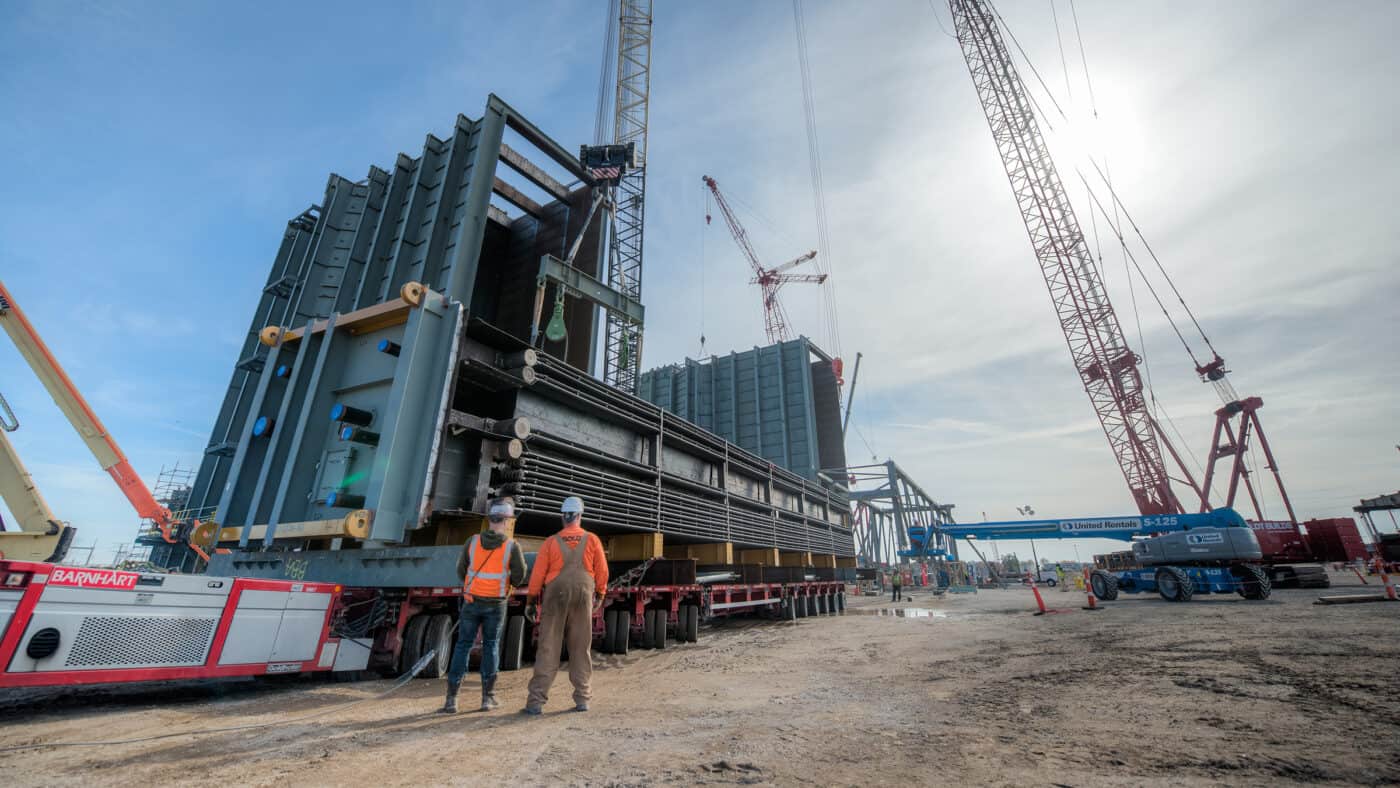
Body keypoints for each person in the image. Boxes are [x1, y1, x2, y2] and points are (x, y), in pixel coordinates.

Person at [440, 498, 527, 714]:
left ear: (490, 519)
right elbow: (519, 577)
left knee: (463, 646)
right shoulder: (511, 546)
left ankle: (451, 700)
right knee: (491, 646)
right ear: (507, 521)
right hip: (496, 604)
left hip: (471, 602)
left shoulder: (472, 541)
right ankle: (487, 699)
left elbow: (461, 570)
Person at [523, 496, 608, 715]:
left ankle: (535, 702)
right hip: (583, 594)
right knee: (581, 647)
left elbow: (538, 574)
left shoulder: (551, 542)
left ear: (563, 516)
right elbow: (602, 571)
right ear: (579, 516)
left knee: (548, 646)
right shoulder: (592, 540)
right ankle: (582, 698)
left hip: (555, 595)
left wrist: (531, 600)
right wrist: (600, 593)